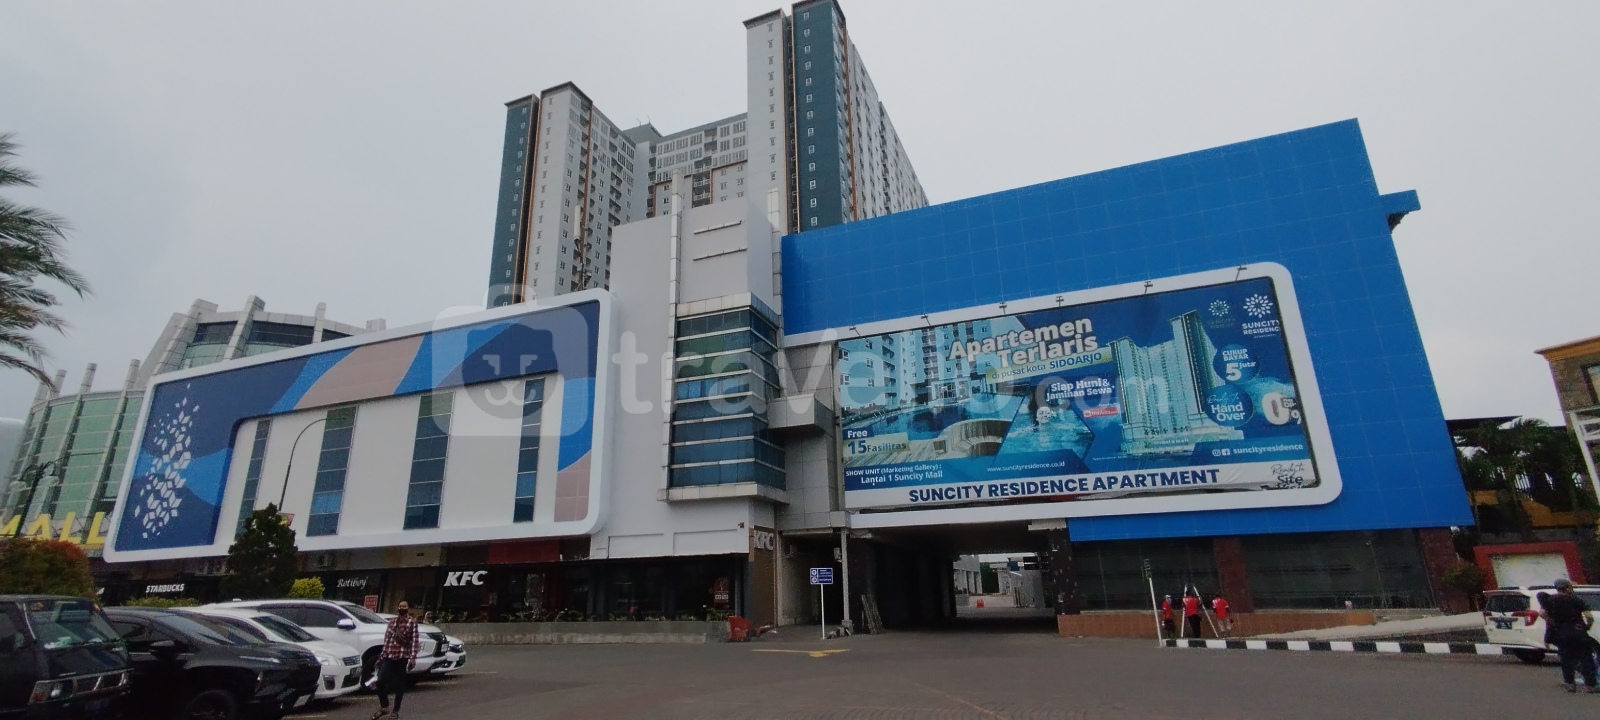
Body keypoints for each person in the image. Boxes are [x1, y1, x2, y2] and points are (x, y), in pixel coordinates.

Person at [1538, 578, 1596, 693]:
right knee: (1585, 658)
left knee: (1566, 659)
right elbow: (1589, 616)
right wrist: (1587, 626)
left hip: (1561, 633)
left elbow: (1542, 613)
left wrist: (1551, 621)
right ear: (1567, 587)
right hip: (1578, 632)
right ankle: (1589, 685)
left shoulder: (1550, 600)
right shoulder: (1576, 599)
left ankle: (1570, 684)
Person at [372, 600, 420, 719]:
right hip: (389, 656)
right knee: (380, 681)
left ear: (408, 608)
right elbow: (387, 641)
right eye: (400, 606)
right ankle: (384, 706)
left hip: (402, 657)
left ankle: (395, 711)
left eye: (404, 606)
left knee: (399, 685)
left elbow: (415, 641)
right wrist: (381, 658)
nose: (402, 608)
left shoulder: (412, 623)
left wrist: (413, 658)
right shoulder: (392, 622)